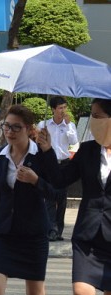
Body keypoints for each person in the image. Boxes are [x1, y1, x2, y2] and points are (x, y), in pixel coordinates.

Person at [0, 104, 58, 295]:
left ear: (30, 129)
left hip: (34, 236)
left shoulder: (42, 155)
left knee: (35, 291)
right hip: (4, 234)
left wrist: (36, 180)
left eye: (16, 127)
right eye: (7, 126)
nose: (10, 132)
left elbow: (56, 193)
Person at [44, 98, 111, 295]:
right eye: (92, 115)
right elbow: (60, 180)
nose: (93, 121)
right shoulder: (87, 149)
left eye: (98, 116)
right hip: (86, 237)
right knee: (81, 291)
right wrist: (48, 150)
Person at [37, 96, 78, 241]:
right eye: (60, 108)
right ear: (53, 109)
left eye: (64, 107)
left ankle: (58, 230)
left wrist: (67, 126)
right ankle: (51, 229)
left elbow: (74, 141)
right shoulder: (44, 124)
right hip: (49, 164)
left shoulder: (70, 125)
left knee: (61, 199)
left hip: (64, 164)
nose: (63, 111)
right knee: (49, 196)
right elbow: (37, 143)